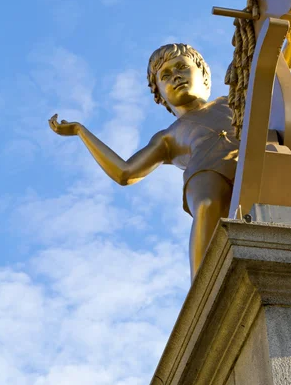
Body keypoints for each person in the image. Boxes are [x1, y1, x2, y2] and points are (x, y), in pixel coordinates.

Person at [49, 43, 241, 281]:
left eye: (182, 67)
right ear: (159, 95)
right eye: (166, 75)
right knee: (206, 202)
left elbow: (271, 80)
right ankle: (203, 289)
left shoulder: (233, 100)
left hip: (253, 158)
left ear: (204, 74)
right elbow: (125, 173)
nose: (176, 76)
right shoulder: (168, 137)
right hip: (207, 175)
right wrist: (80, 130)